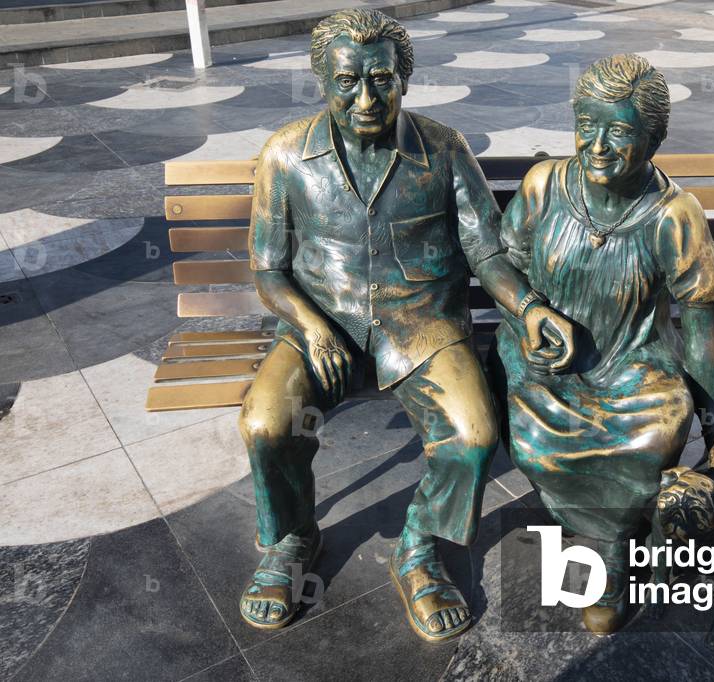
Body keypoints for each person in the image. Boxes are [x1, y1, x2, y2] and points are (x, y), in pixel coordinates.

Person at [238, 8, 573, 641]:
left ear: (404, 80)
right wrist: (310, 327)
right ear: (321, 79)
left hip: (421, 327)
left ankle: (419, 545)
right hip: (320, 326)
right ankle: (290, 538)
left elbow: (489, 251)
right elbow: (268, 271)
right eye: (347, 81)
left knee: (474, 433)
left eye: (381, 79)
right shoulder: (285, 156)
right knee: (264, 424)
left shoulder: (443, 150)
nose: (366, 97)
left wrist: (529, 307)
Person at [492, 53, 714, 635]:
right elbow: (500, 264)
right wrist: (528, 315)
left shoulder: (675, 215)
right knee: (537, 442)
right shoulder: (543, 185)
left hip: (635, 359)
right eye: (588, 125)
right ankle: (595, 524)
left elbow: (701, 323)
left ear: (653, 140)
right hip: (545, 351)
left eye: (621, 131)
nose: (598, 145)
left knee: (651, 437)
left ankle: (613, 553)